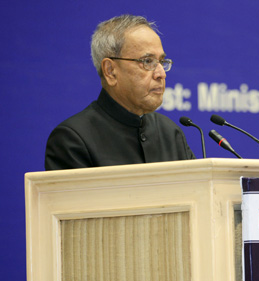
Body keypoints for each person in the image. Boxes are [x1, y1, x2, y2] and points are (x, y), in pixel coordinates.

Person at [45, 14, 195, 170]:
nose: (161, 74)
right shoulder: (73, 140)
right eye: (147, 61)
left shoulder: (170, 132)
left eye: (161, 61)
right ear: (110, 71)